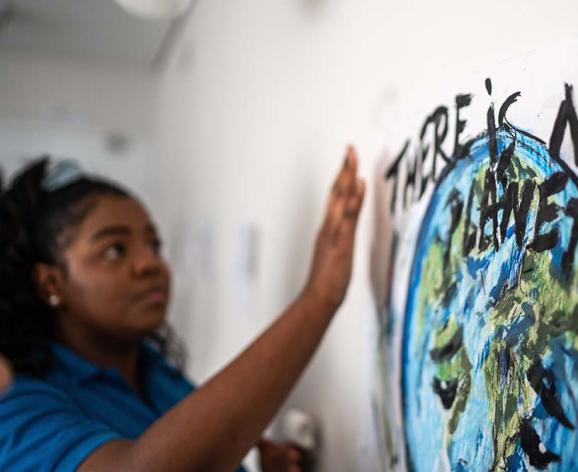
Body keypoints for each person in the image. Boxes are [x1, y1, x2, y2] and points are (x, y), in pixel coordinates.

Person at [0, 147, 366, 471]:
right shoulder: (14, 404)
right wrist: (319, 299)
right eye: (115, 250)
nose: (150, 264)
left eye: (154, 245)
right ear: (52, 283)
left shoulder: (156, 372)